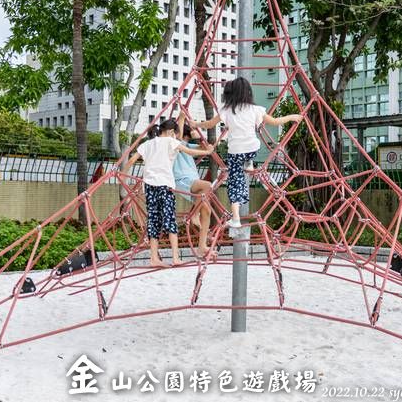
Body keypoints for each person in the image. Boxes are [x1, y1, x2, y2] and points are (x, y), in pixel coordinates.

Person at [195, 77, 302, 228]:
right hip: (252, 148)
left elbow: (209, 124)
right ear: (248, 92)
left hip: (235, 152)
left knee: (234, 183)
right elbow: (275, 121)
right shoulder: (255, 109)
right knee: (248, 153)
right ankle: (249, 162)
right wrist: (292, 117)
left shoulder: (226, 111)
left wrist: (195, 124)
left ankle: (236, 218)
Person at [124, 118, 214, 267]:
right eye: (175, 134)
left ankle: (153, 258)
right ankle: (175, 257)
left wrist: (123, 175)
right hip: (164, 185)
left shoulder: (147, 144)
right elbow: (190, 151)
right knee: (170, 220)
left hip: (150, 186)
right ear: (172, 132)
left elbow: (132, 160)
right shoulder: (171, 142)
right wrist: (208, 151)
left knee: (154, 221)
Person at [174, 114, 214, 258]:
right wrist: (182, 119)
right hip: (182, 180)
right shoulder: (174, 143)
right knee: (208, 185)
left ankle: (202, 246)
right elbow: (177, 137)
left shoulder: (187, 145)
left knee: (207, 212)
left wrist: (196, 133)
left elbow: (203, 146)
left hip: (193, 181)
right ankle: (194, 215)